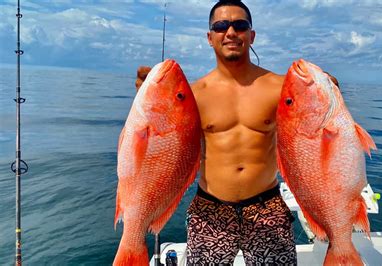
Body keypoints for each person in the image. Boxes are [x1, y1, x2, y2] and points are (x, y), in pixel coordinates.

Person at [135, 1, 338, 264]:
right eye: (220, 26)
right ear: (210, 38)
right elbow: (161, 141)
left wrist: (328, 89)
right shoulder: (191, 95)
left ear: (251, 35)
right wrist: (149, 97)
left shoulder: (281, 88)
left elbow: (320, 123)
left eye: (239, 25)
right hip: (210, 209)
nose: (230, 32)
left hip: (268, 206)